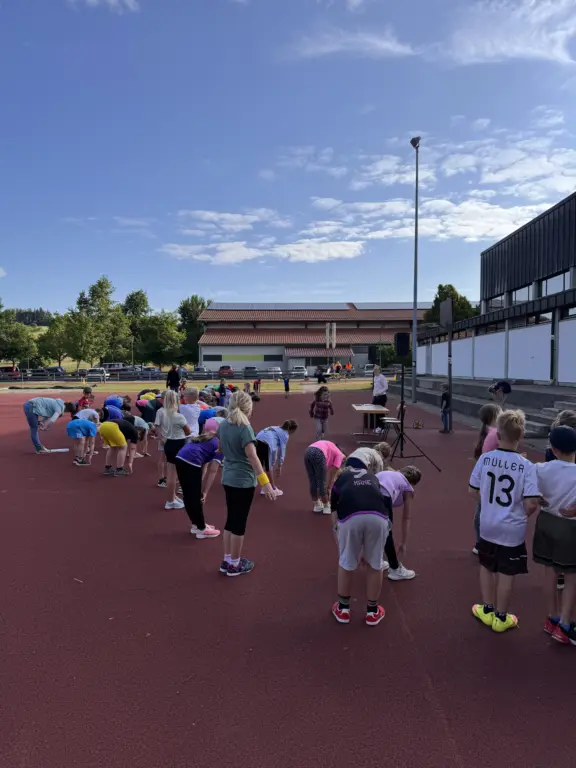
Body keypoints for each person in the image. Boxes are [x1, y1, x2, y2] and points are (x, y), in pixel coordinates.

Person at [468, 410, 540, 633]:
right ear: (522, 435)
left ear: (498, 435)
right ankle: (501, 616)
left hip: (489, 524)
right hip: (512, 528)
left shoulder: (485, 458)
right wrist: (519, 515)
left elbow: (472, 489)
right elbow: (531, 503)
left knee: (487, 566)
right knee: (507, 572)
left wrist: (490, 506)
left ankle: (487, 609)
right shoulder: (527, 466)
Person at [217, 391, 276, 577]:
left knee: (230, 520)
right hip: (243, 480)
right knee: (239, 522)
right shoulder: (245, 428)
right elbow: (252, 456)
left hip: (228, 477)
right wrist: (265, 483)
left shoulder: (224, 424)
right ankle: (235, 563)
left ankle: (227, 560)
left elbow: (220, 448)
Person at [330, 464, 393, 626]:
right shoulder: (372, 476)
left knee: (346, 562)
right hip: (378, 516)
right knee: (375, 563)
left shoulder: (339, 482)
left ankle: (343, 609)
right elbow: (385, 499)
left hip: (350, 517)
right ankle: (372, 612)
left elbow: (334, 513)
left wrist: (339, 540)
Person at [532, 426, 576, 645]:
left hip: (546, 522)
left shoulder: (541, 468)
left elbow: (527, 483)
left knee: (549, 570)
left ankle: (552, 617)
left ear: (554, 449)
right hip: (569, 527)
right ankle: (566, 625)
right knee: (571, 575)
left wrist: (539, 497)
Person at [376, 466, 421, 581]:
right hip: (382, 497)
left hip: (363, 491)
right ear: (412, 483)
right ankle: (395, 568)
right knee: (386, 532)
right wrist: (403, 543)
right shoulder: (408, 488)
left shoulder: (388, 474)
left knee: (373, 526)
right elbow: (406, 518)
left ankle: (376, 559)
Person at [175, 433, 223, 539]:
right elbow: (213, 470)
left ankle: (196, 524)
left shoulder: (211, 439)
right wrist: (205, 492)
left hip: (180, 456)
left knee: (188, 493)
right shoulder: (221, 446)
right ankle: (201, 528)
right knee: (196, 497)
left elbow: (204, 465)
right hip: (192, 460)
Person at [472, 404, 502, 554]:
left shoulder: (488, 432)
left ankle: (480, 542)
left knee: (482, 509)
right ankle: (484, 543)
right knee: (487, 510)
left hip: (487, 476)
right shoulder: (496, 434)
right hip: (492, 477)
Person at [155, 390, 192, 509]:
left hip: (169, 443)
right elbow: (188, 431)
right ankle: (170, 500)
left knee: (171, 472)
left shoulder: (162, 412)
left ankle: (172, 497)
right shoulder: (178, 416)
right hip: (178, 443)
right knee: (174, 475)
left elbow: (158, 427)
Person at [255, 420, 299, 496]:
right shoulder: (285, 435)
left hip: (257, 440)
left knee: (259, 466)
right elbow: (282, 451)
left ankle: (263, 486)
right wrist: (280, 466)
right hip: (266, 444)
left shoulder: (276, 428)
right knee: (269, 468)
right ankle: (273, 488)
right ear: (292, 430)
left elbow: (275, 448)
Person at [304, 439, 345, 514]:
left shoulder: (331, 450)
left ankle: (317, 505)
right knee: (321, 482)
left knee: (312, 480)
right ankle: (326, 505)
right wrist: (329, 488)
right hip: (319, 453)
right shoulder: (340, 455)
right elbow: (333, 474)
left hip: (308, 451)